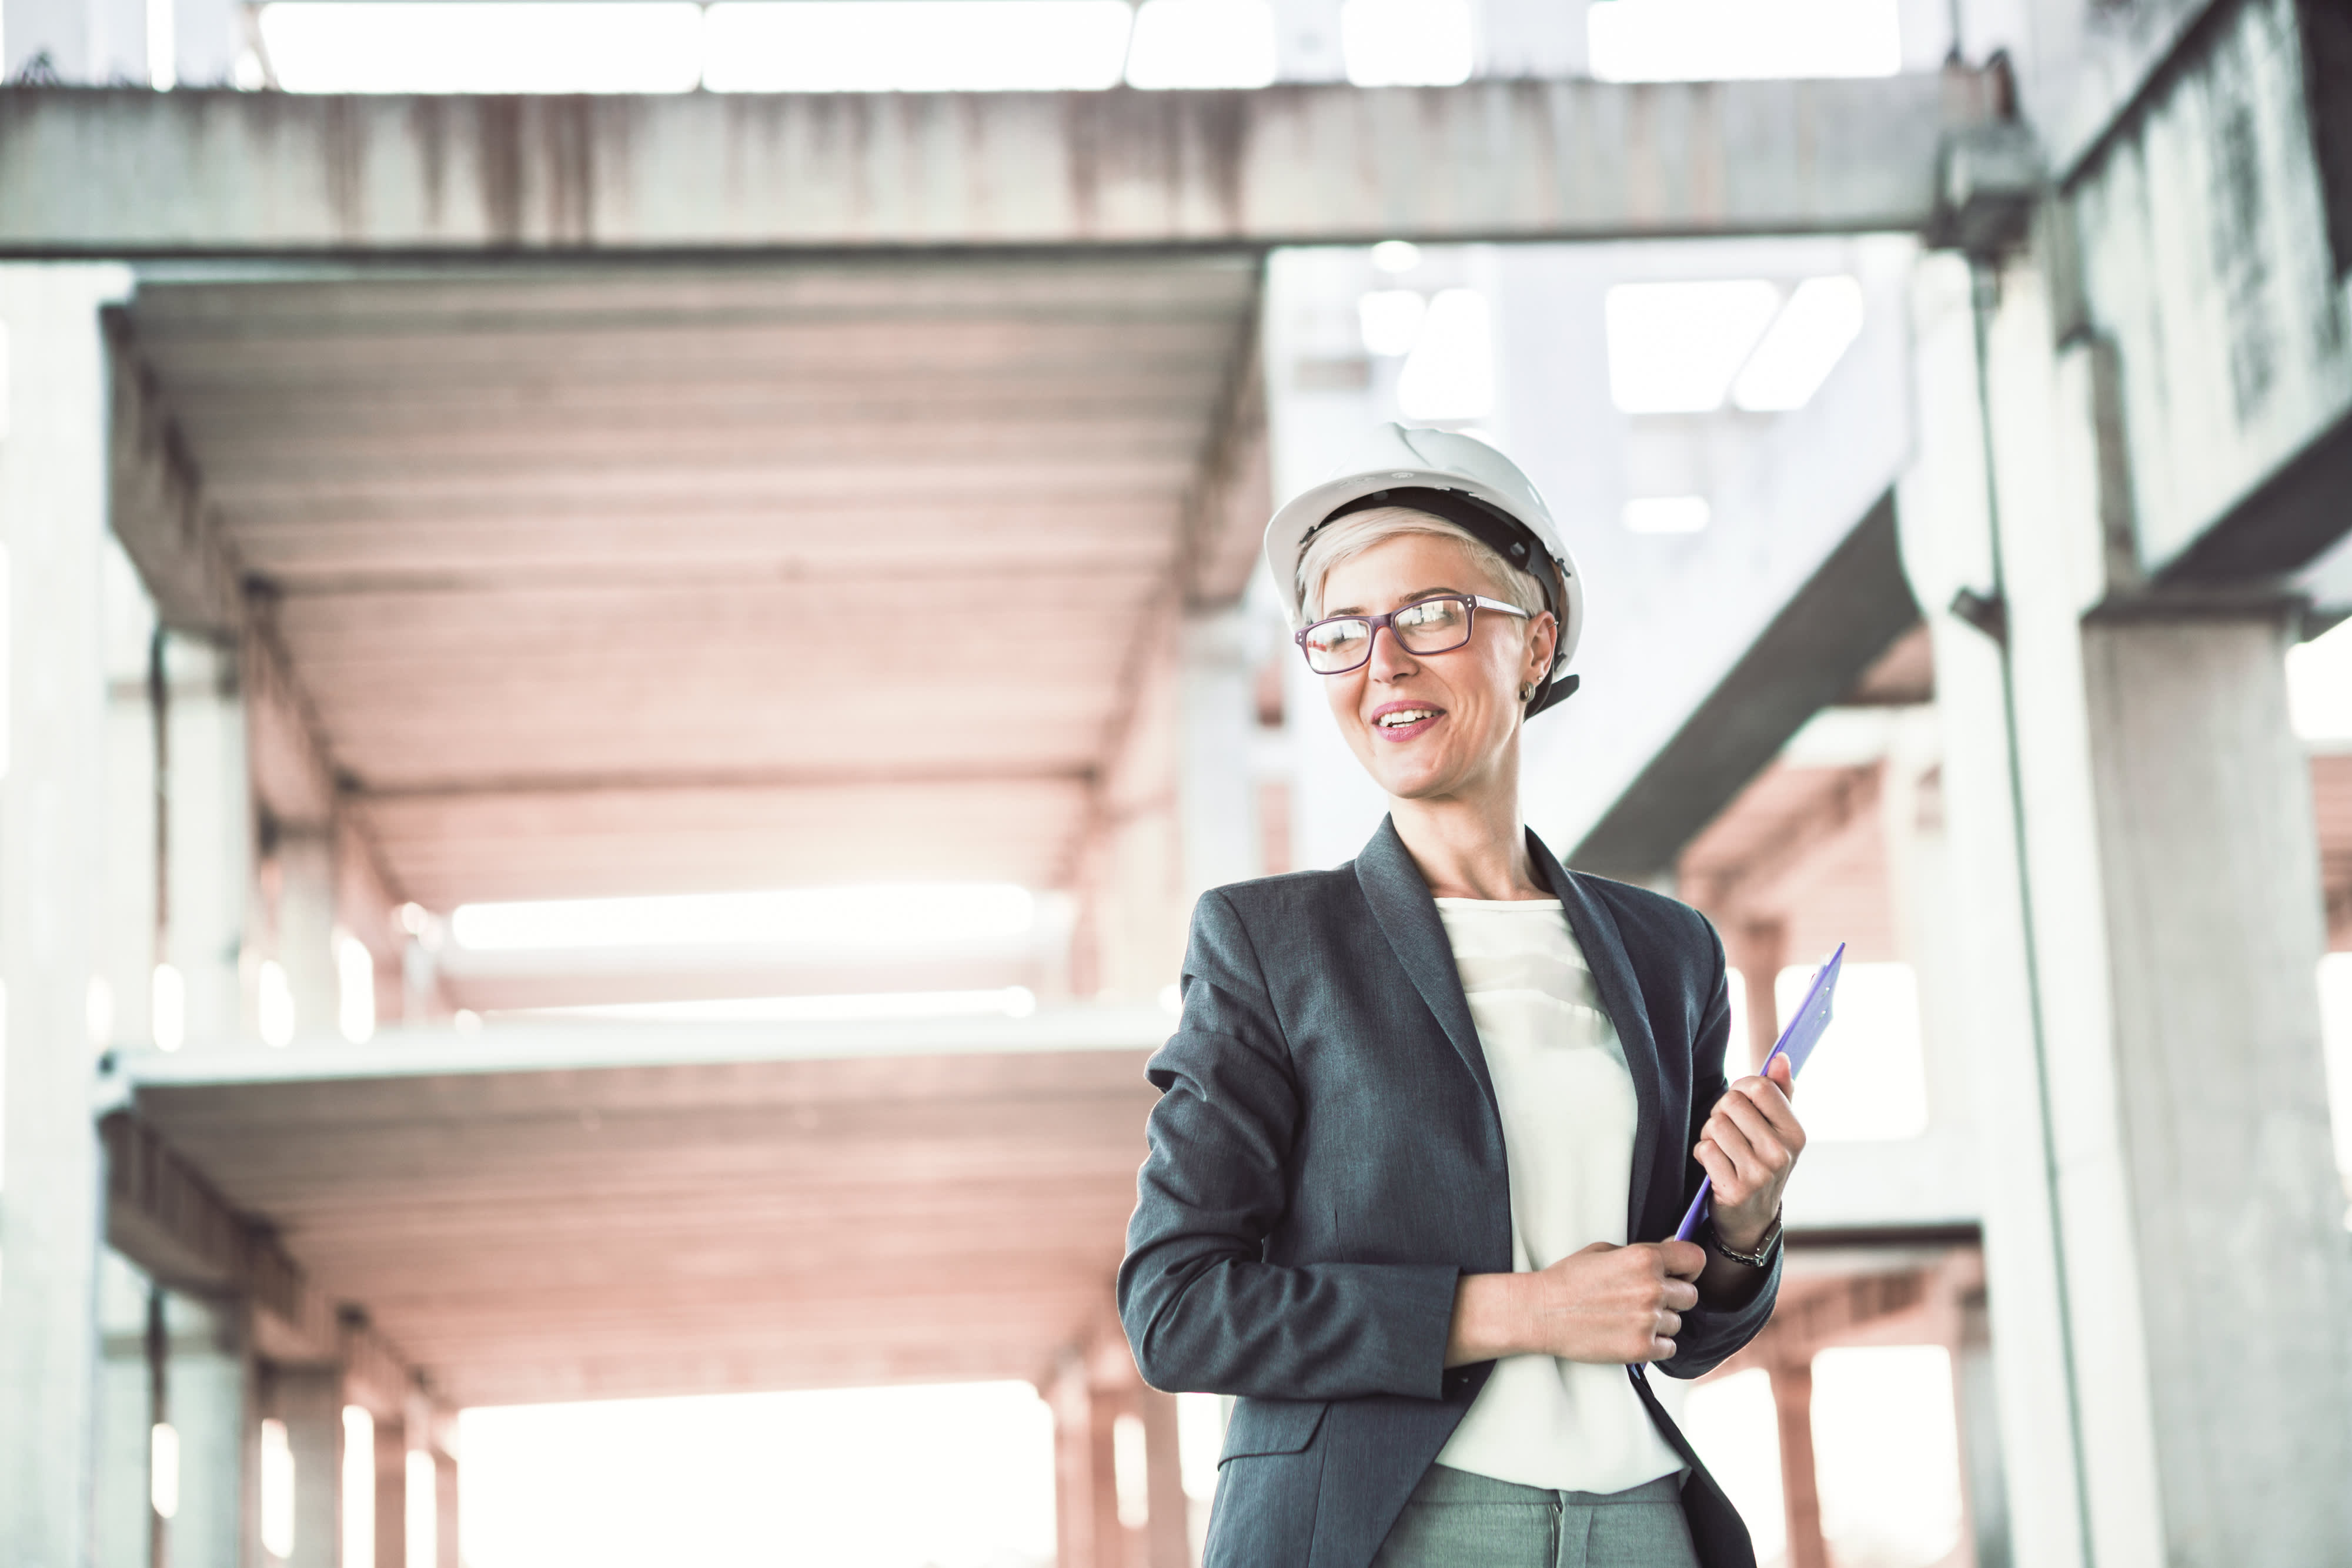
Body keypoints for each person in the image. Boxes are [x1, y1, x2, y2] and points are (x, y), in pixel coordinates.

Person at [1117, 425, 1808, 1568]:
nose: (1382, 663)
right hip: (1391, 1526)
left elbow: (1681, 1330)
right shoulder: (1269, 943)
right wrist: (1518, 1309)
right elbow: (1177, 1305)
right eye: (1340, 634)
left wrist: (1740, 1223)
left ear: (1533, 644)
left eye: (1430, 614)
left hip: (1638, 1517)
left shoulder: (1664, 951)